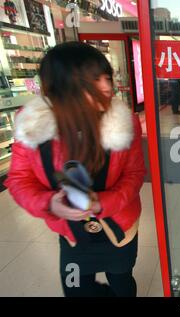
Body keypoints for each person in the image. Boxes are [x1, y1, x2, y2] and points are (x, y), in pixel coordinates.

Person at [5, 42, 146, 297]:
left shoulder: (124, 121)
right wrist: (50, 204)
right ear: (63, 86)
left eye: (107, 77)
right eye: (94, 80)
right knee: (75, 287)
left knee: (122, 280)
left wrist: (102, 203)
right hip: (70, 233)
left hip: (119, 228)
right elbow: (18, 179)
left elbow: (134, 175)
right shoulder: (33, 127)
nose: (107, 86)